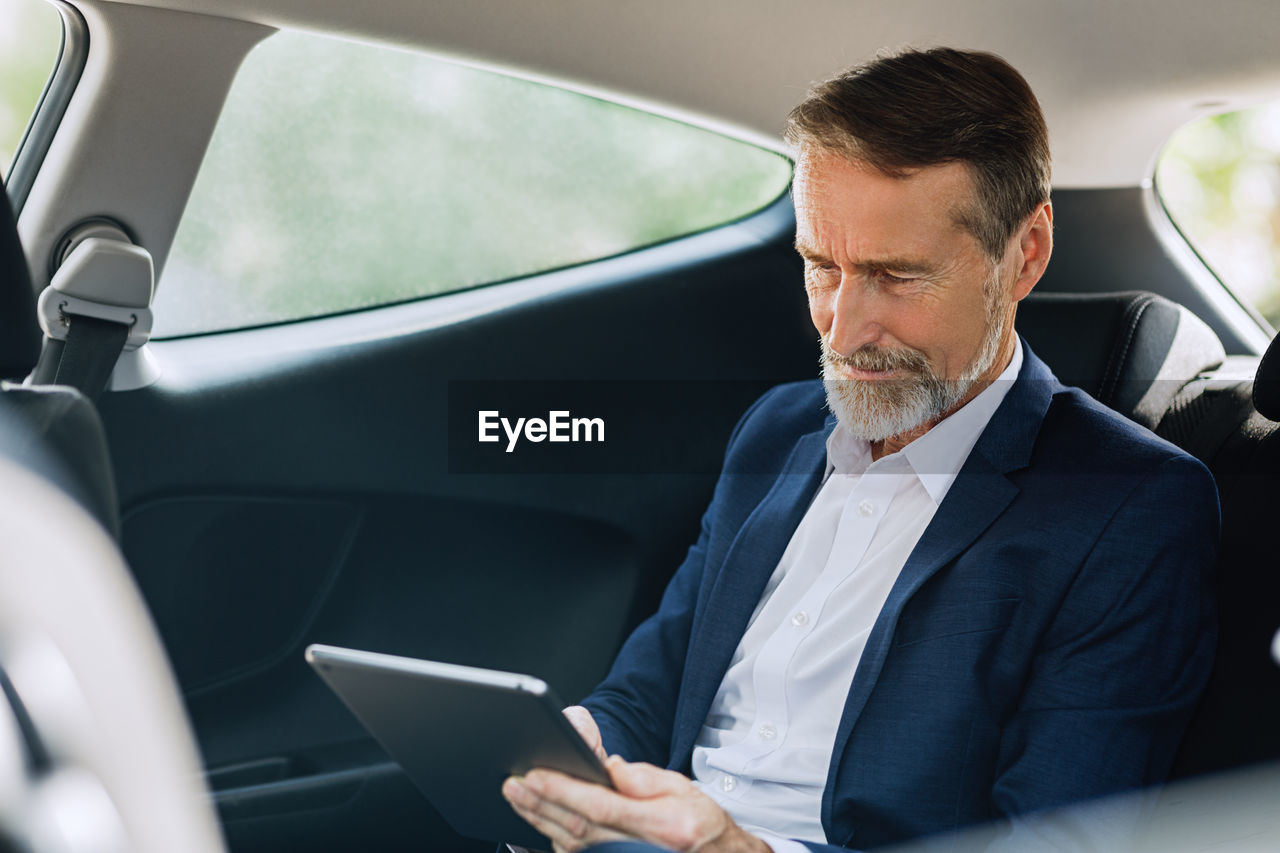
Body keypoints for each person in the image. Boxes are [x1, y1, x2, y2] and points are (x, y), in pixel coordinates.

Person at [501, 47, 1218, 853]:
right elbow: (647, 694)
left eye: (898, 276)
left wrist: (735, 850)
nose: (842, 329)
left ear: (1026, 254)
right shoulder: (775, 429)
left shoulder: (1129, 505)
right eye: (820, 266)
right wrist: (580, 747)